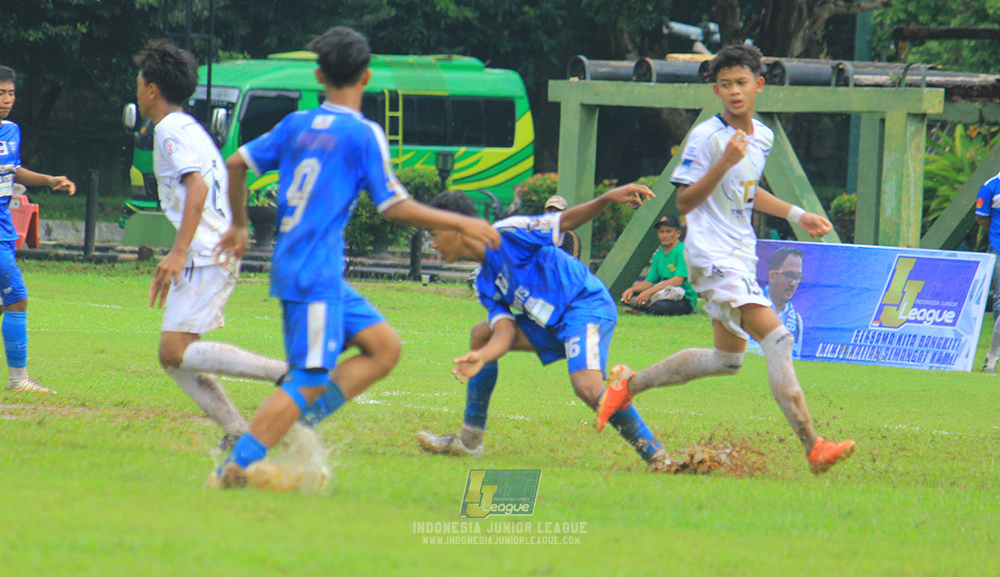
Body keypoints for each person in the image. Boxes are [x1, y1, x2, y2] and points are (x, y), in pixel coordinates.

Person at [208, 26, 500, 488]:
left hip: (305, 267)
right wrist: (462, 222)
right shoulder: (363, 133)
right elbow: (393, 206)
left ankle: (300, 422)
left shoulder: (296, 124)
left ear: (319, 75)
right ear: (366, 77)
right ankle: (236, 466)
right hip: (315, 271)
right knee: (307, 377)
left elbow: (236, 163)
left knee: (385, 348)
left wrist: (239, 225)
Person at [595, 44, 855, 475]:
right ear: (716, 90)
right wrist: (723, 163)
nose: (735, 91)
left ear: (759, 85)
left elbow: (748, 191)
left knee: (728, 359)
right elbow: (684, 201)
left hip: (738, 252)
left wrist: (797, 214)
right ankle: (814, 445)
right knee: (779, 339)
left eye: (742, 83)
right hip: (711, 255)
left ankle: (627, 384)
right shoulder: (707, 138)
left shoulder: (764, 136)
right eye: (726, 85)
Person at [416, 185, 672, 471]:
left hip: (583, 306)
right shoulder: (483, 283)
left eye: (434, 234)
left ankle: (657, 456)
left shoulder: (509, 232)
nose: (434, 245)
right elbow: (504, 333)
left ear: (456, 229)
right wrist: (483, 356)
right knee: (481, 333)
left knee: (587, 389)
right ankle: (469, 440)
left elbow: (566, 221)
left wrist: (607, 198)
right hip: (549, 323)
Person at [136, 41, 288, 451]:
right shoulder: (188, 127)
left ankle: (284, 374)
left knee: (174, 349)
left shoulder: (170, 129)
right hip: (209, 250)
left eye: (139, 82)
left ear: (151, 89)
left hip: (205, 253)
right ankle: (237, 430)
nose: (137, 89)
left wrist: (178, 251)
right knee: (174, 356)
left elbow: (197, 187)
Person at [0, 65, 76, 393]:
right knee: (16, 299)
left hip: (4, 228)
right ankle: (19, 380)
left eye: (11, 93)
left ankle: (19, 379)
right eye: (0, 93)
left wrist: (48, 180)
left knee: (12, 300)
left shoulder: (11, 131)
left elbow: (13, 170)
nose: (7, 100)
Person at [620, 214, 697, 316]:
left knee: (659, 307)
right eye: (662, 232)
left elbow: (678, 280)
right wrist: (632, 290)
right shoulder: (658, 255)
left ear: (678, 233)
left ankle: (642, 310)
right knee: (627, 297)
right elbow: (649, 281)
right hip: (663, 293)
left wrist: (649, 292)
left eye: (668, 231)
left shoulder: (682, 251)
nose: (664, 235)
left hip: (683, 298)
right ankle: (641, 308)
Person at [975, 175, 1000, 372]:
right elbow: (981, 217)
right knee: (999, 302)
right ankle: (992, 358)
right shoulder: (990, 185)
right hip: (998, 249)